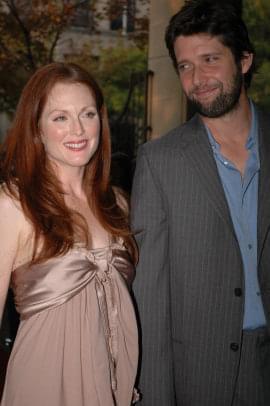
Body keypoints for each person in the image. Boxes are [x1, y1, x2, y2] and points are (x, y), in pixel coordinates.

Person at [131, 1, 270, 405]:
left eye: (210, 59)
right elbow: (149, 301)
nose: (197, 78)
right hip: (199, 376)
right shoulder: (159, 161)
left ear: (243, 60)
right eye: (185, 66)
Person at [0, 62, 139, 406]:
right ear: (37, 128)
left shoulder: (118, 204)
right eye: (60, 117)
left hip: (114, 384)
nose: (77, 129)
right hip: (43, 385)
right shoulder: (13, 204)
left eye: (87, 114)